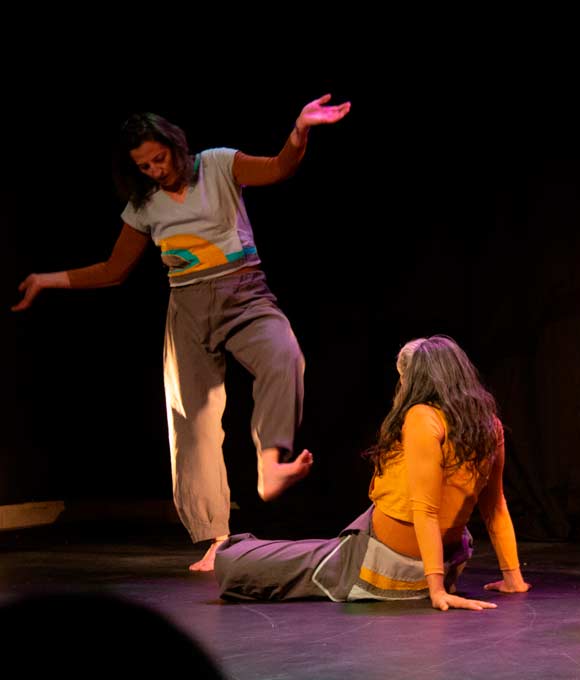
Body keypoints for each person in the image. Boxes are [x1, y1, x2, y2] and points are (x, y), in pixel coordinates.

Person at [12, 94, 352, 571]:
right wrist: (47, 280)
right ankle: (217, 538)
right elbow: (113, 270)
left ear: (175, 145)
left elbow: (278, 168)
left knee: (284, 355)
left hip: (245, 294)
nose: (157, 170)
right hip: (188, 307)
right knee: (192, 422)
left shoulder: (219, 165)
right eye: (145, 166)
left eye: (160, 158)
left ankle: (271, 462)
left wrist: (299, 131)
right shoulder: (144, 205)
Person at [215, 335, 531, 611]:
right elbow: (495, 507)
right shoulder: (488, 424)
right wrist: (512, 578)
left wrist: (436, 591)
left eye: (405, 378)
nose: (402, 385)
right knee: (319, 547)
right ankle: (240, 546)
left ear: (418, 380)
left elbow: (425, 510)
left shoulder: (424, 417)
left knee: (242, 563)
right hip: (417, 549)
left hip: (382, 559)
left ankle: (229, 552)